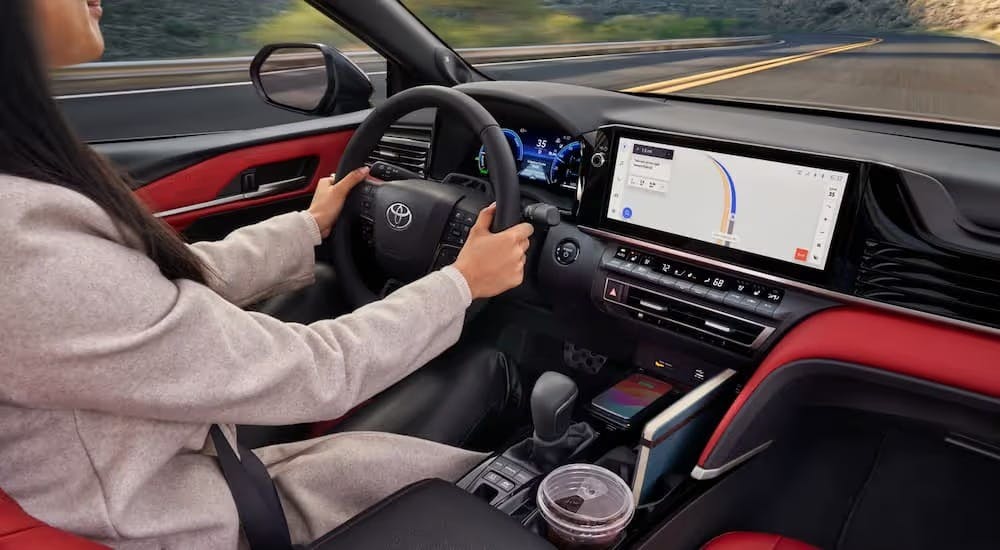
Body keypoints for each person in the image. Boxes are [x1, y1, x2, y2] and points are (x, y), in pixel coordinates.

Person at [0, 0, 535, 548]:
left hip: (134, 466)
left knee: (323, 288)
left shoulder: (21, 204)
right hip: (172, 520)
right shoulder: (24, 250)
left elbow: (151, 292)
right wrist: (462, 283)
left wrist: (307, 227)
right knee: (482, 389)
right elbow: (315, 370)